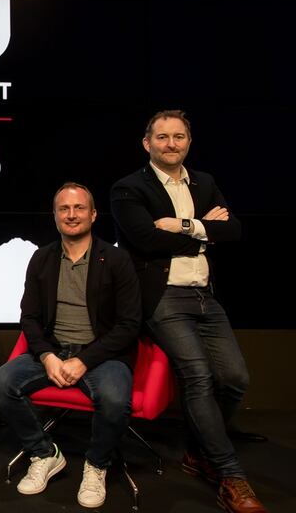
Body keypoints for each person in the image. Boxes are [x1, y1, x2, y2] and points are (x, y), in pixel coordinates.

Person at [110, 110, 267, 513]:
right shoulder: (128, 188)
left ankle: (198, 453)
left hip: (205, 296)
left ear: (189, 142)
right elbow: (144, 240)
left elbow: (233, 230)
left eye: (179, 137)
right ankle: (231, 476)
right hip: (163, 298)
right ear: (147, 143)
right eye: (162, 137)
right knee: (197, 376)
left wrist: (181, 226)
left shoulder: (205, 183)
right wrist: (203, 230)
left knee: (234, 379)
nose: (171, 144)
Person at [0, 183, 141, 508]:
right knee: (1, 383)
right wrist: (46, 356)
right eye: (64, 209)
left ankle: (96, 464)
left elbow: (129, 324)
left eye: (79, 208)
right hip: (54, 350)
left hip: (102, 354)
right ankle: (44, 454)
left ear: (93, 214)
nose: (71, 215)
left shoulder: (116, 259)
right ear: (55, 216)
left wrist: (84, 360)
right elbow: (28, 317)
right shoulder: (42, 258)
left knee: (114, 400)